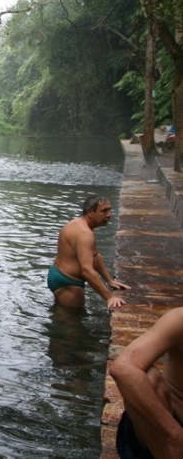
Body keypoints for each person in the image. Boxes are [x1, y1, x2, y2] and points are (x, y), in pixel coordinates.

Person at [109, 306, 183, 459]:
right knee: (148, 378)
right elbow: (123, 368)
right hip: (169, 426)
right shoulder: (179, 319)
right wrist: (175, 435)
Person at [47, 195, 130, 311]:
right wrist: (109, 297)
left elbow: (95, 255)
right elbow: (87, 271)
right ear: (90, 212)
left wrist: (109, 280)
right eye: (104, 211)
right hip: (69, 282)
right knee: (72, 323)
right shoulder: (85, 234)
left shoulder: (78, 224)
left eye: (110, 210)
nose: (109, 215)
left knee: (62, 312)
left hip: (57, 274)